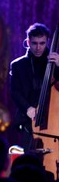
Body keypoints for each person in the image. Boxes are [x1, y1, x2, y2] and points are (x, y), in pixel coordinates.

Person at [9, 22, 59, 153]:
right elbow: (15, 91)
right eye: (34, 43)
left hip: (54, 118)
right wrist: (27, 108)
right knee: (29, 156)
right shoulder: (18, 65)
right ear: (28, 42)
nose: (38, 48)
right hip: (29, 120)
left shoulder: (55, 63)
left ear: (47, 41)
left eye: (42, 43)